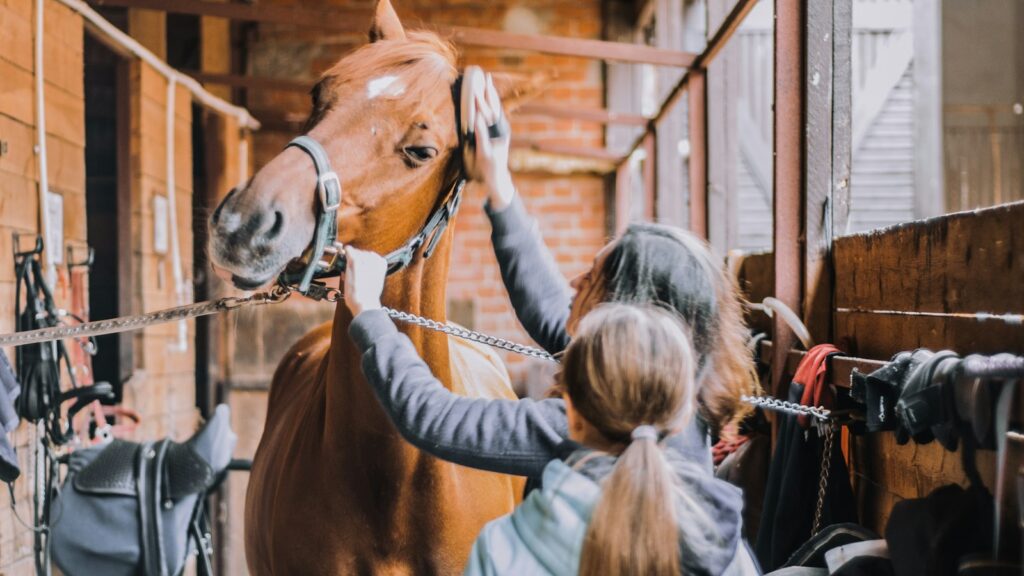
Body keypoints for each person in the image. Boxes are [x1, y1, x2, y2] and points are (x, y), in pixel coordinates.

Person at [343, 74, 758, 488]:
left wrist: (370, 314)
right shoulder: (672, 393)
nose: (574, 282)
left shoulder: (589, 425)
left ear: (629, 316)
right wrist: (498, 183)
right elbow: (549, 308)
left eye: (594, 279)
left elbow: (435, 419)